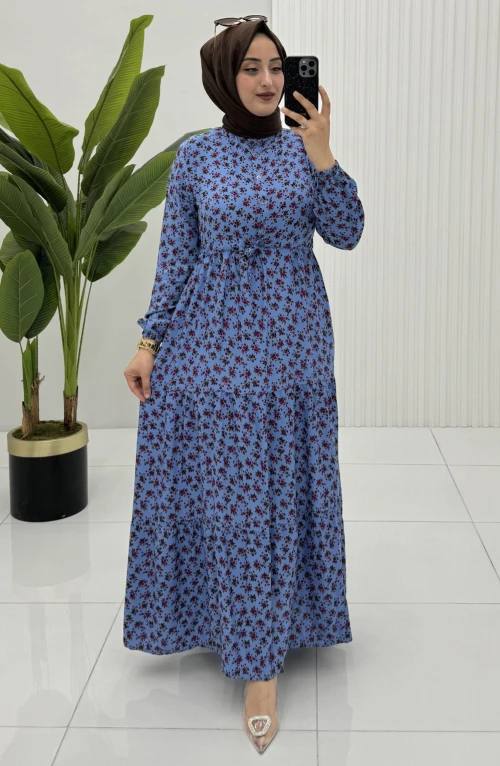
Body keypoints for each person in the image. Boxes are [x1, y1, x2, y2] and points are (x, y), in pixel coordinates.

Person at [123, 17, 364, 755]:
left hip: (291, 349)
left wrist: (323, 153)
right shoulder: (196, 155)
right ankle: (239, 643)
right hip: (212, 347)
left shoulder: (302, 149)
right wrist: (148, 342)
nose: (266, 81)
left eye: (276, 67)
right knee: (231, 497)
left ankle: (267, 659)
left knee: (279, 490)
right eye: (251, 67)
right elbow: (177, 256)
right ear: (224, 77)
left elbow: (348, 231)